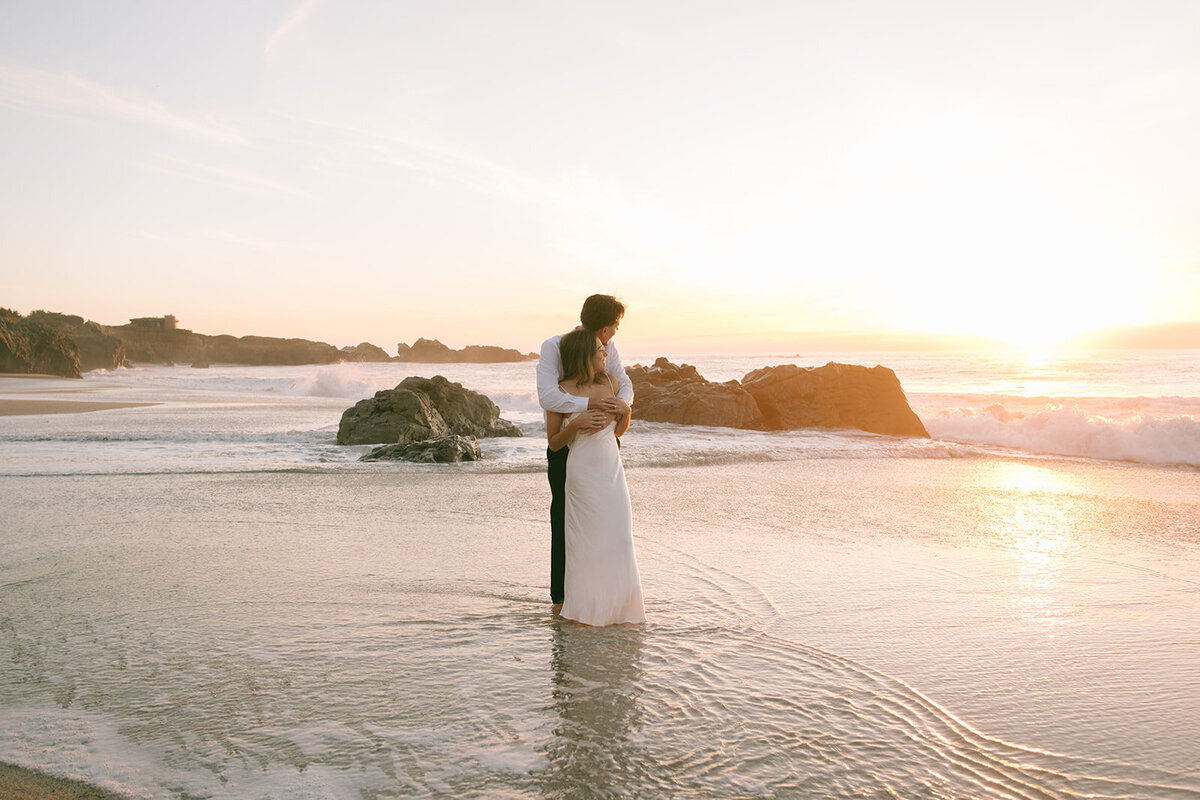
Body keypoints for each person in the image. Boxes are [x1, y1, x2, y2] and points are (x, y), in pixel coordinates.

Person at [537, 295, 634, 610]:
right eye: (615, 327)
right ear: (605, 329)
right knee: (565, 519)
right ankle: (563, 597)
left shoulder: (607, 354)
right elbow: (549, 395)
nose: (613, 336)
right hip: (568, 446)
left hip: (604, 448)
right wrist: (587, 410)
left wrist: (622, 406)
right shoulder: (554, 346)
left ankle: (604, 590)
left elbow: (625, 385)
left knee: (607, 521)